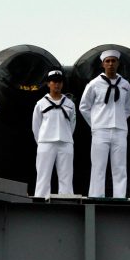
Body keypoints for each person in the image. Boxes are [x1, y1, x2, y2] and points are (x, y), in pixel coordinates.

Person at [79, 49, 130, 198]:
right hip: (100, 130)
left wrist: (120, 120)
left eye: (113, 61)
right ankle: (96, 196)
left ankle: (120, 196)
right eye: (107, 61)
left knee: (120, 167)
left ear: (118, 63)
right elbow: (84, 107)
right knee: (98, 166)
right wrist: (95, 123)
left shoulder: (125, 85)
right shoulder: (94, 84)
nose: (110, 64)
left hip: (120, 130)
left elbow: (127, 108)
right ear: (103, 64)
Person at [31, 70, 76, 198]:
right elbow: (36, 126)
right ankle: (40, 198)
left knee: (66, 175)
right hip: (46, 142)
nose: (57, 84)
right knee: (43, 174)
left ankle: (66, 198)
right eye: (54, 81)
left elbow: (72, 124)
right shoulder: (41, 104)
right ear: (48, 83)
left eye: (59, 82)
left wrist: (66, 136)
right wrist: (41, 141)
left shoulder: (70, 104)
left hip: (65, 142)